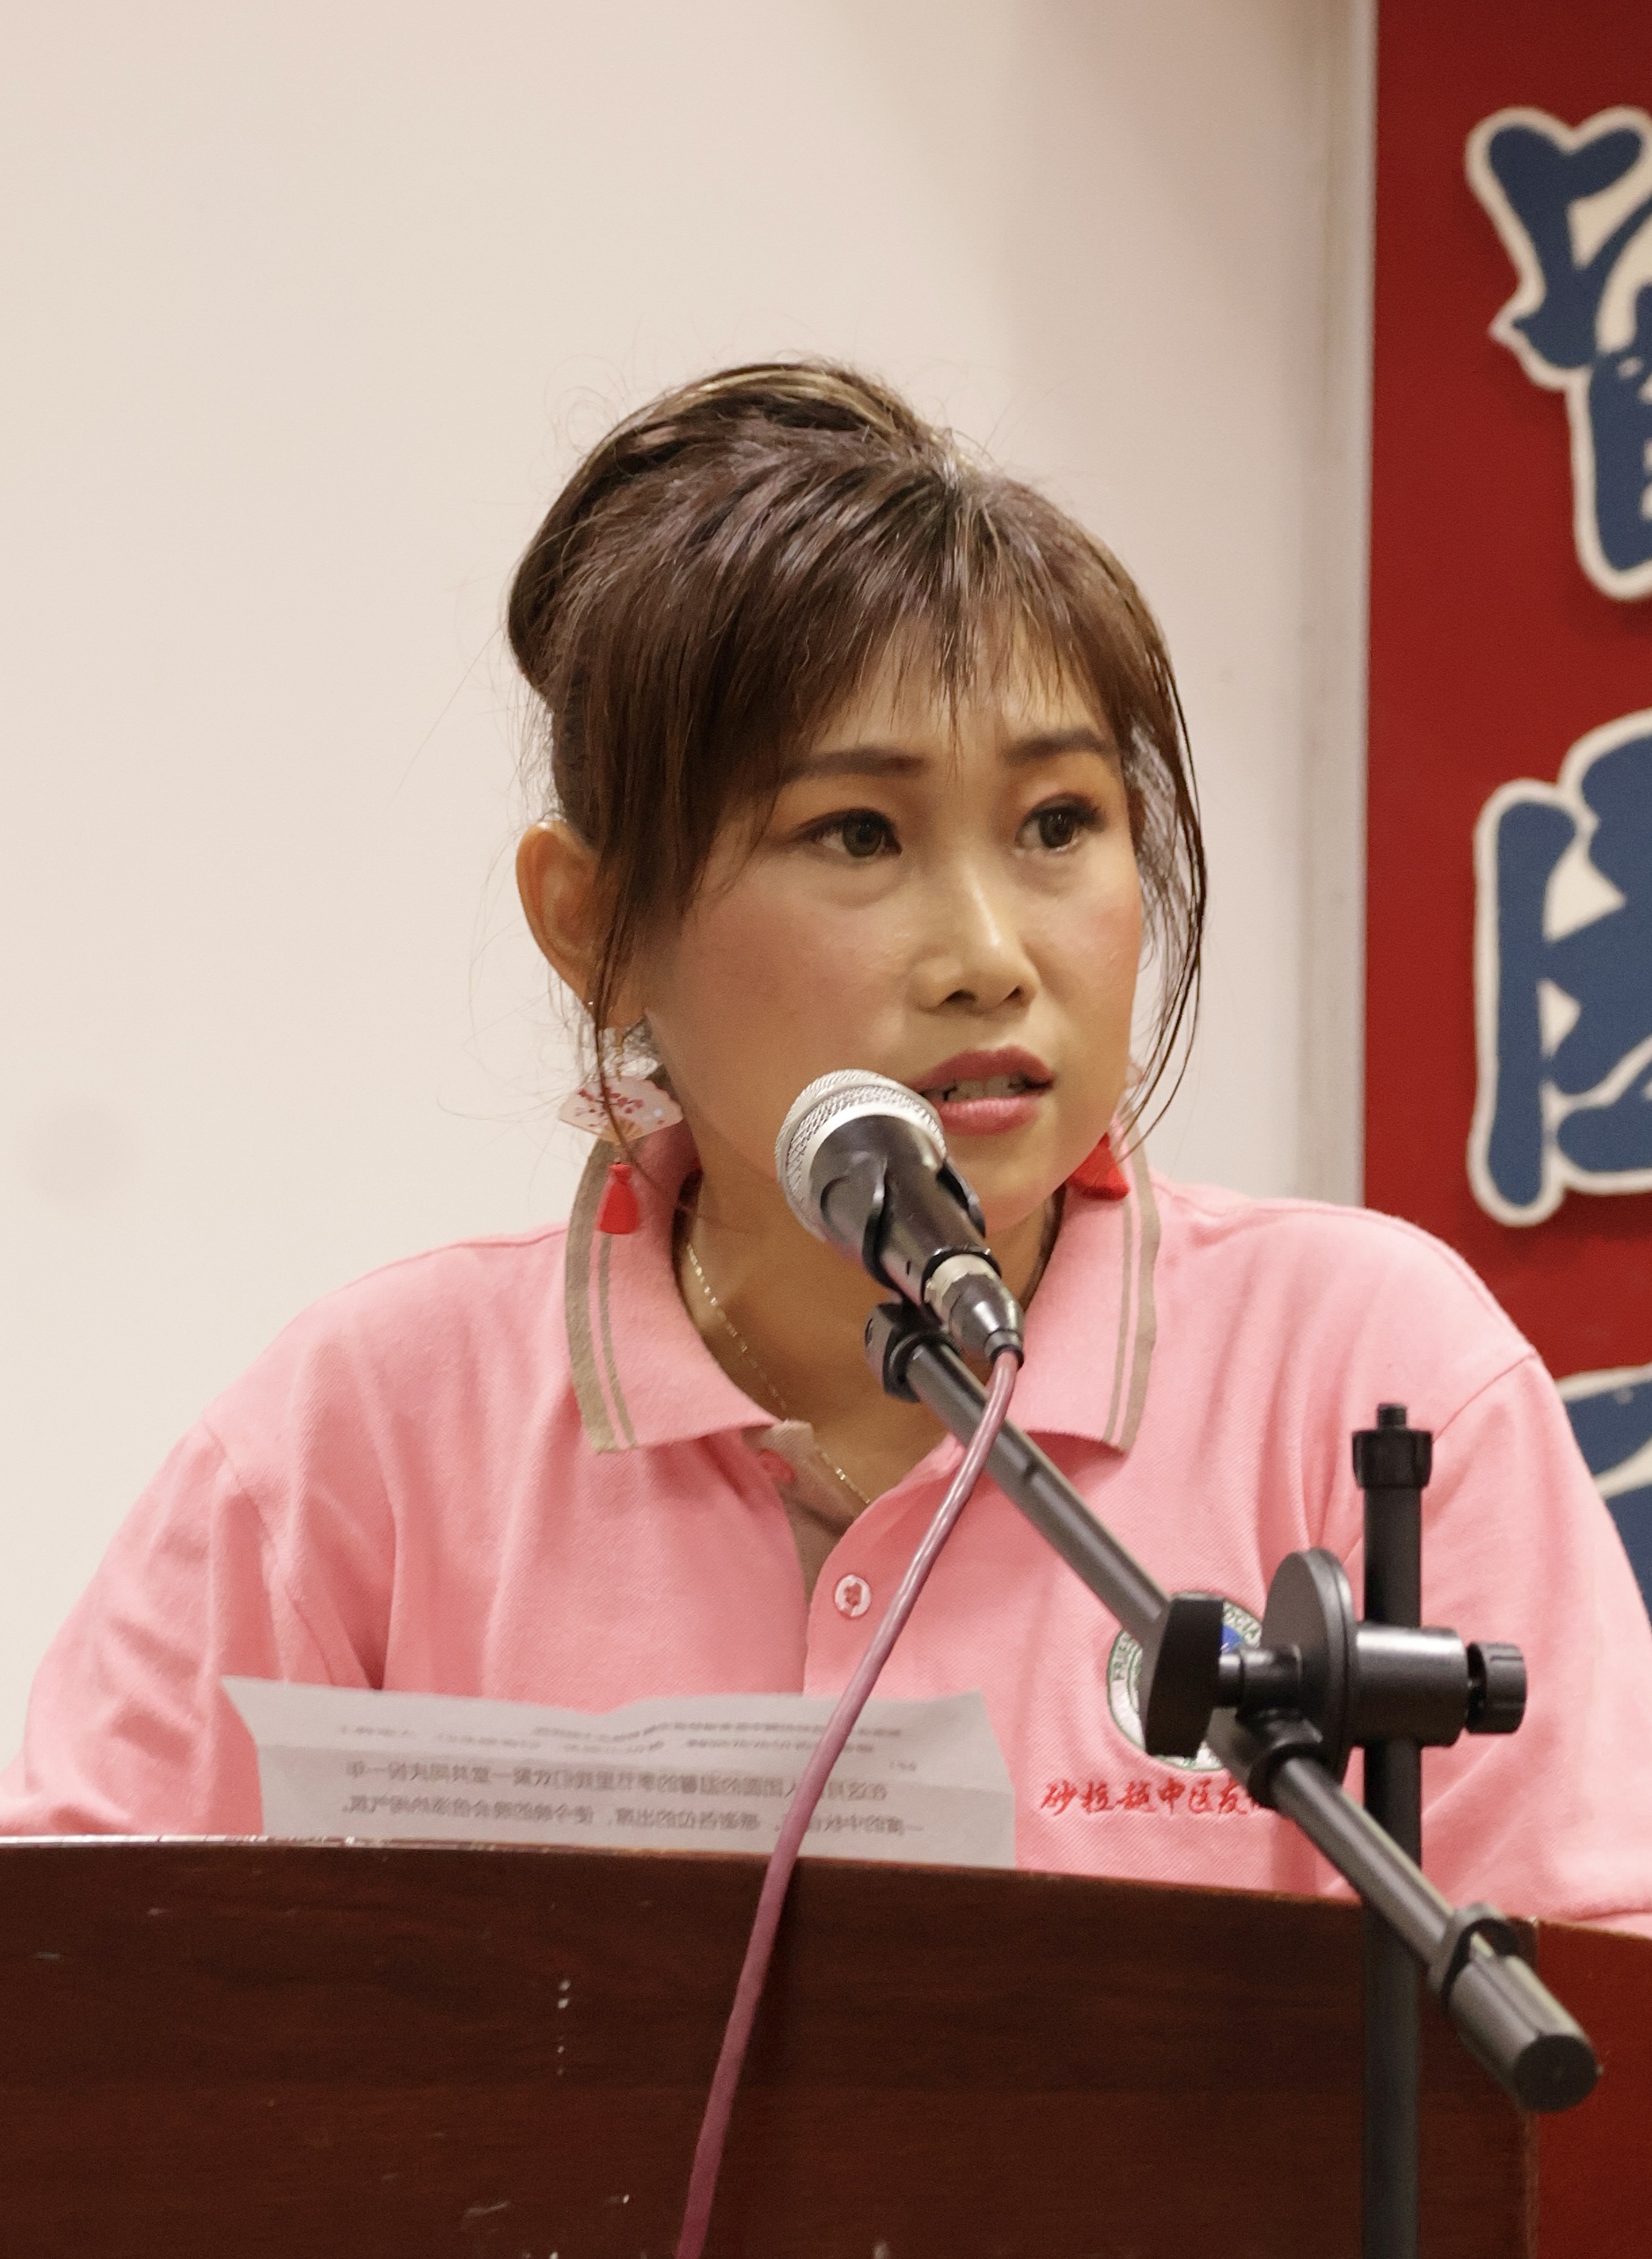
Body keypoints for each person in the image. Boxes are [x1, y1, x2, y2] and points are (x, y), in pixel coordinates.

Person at [2, 362, 1648, 1937]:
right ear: (595, 926)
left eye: (1058, 822)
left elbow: (1585, 2028)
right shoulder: (366, 1432)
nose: (988, 955)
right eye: (856, 833)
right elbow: (72, 2003)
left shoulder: (1367, 1377)